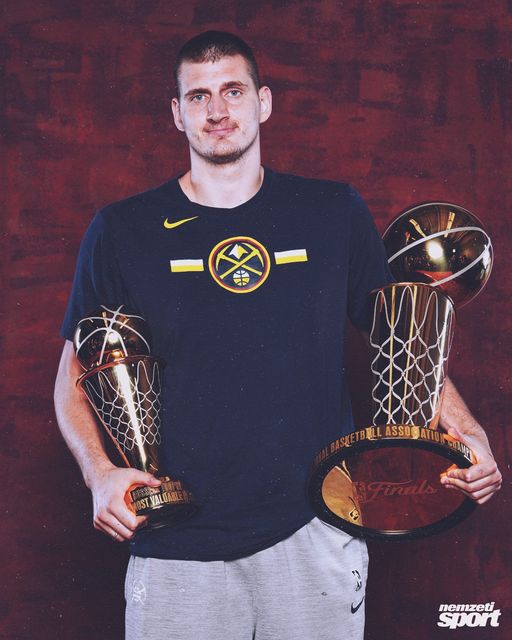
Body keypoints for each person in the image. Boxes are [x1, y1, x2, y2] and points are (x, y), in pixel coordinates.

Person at [54, 31, 502, 640]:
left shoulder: (332, 212)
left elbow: (404, 343)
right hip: (177, 541)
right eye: (199, 96)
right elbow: (74, 377)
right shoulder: (123, 229)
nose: (217, 111)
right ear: (177, 114)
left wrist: (468, 432)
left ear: (263, 102)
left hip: (315, 528)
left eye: (233, 91)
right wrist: (100, 474)